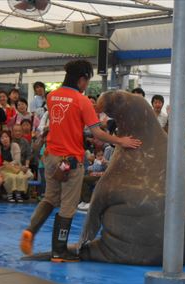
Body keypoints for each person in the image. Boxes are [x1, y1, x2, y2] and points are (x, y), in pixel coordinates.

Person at [19, 59, 142, 262]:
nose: (86, 85)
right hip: (70, 161)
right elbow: (97, 133)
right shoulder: (81, 100)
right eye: (87, 80)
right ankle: (60, 250)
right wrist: (121, 140)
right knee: (68, 205)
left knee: (50, 197)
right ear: (82, 79)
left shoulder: (52, 96)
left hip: (50, 156)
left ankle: (31, 230)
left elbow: (66, 120)